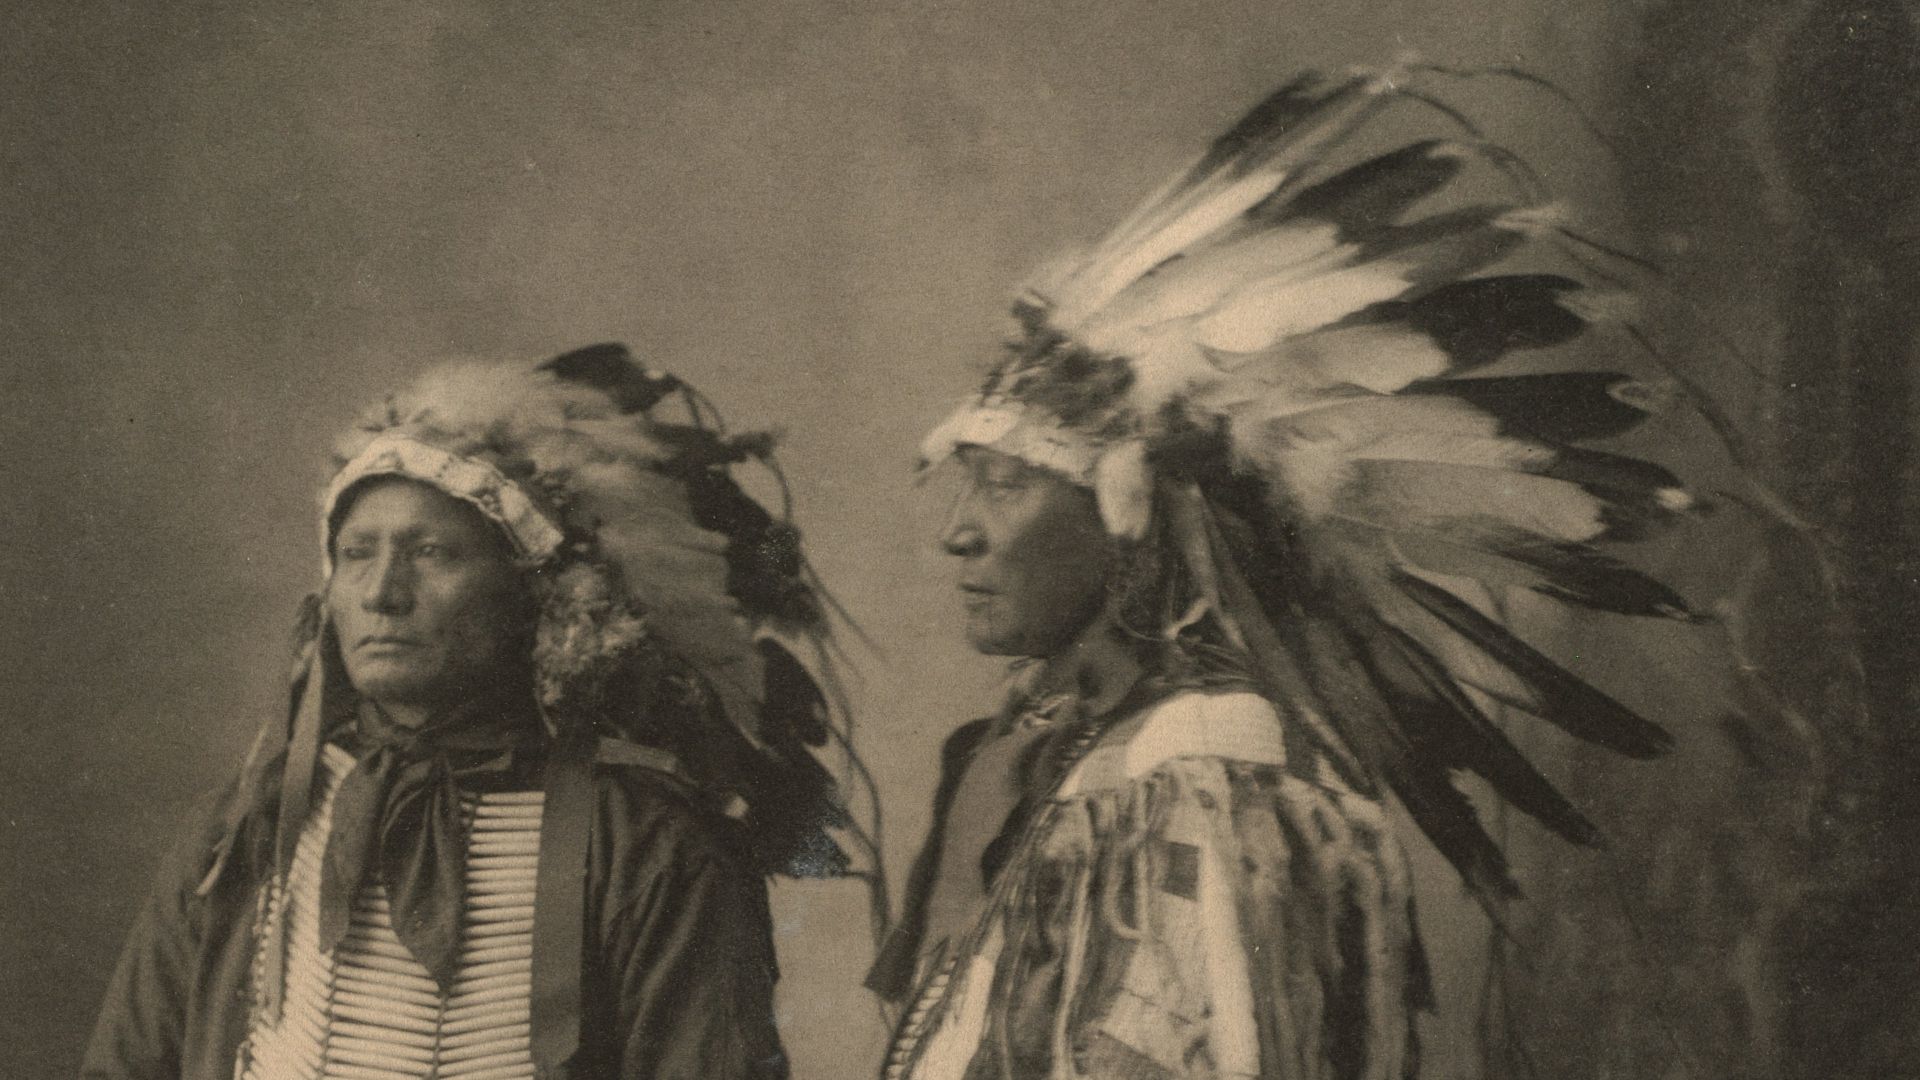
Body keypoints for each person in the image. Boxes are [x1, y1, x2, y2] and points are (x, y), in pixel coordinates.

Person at [871, 65, 1699, 1079]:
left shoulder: (1204, 766)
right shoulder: (1058, 751)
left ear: (1134, 521)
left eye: (1006, 485)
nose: (958, 534)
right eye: (967, 485)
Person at [83, 344, 863, 1080]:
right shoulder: (241, 833)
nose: (382, 593)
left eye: (433, 554)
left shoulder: (649, 848)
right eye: (356, 553)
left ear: (532, 594)